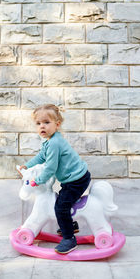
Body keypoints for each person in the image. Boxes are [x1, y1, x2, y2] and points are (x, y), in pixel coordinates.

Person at [18, 104, 91, 254]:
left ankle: (69, 239)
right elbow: (41, 157)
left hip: (77, 179)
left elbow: (50, 168)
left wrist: (37, 180)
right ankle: (71, 224)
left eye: (46, 122)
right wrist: (27, 166)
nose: (42, 127)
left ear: (57, 125)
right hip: (70, 179)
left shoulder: (54, 143)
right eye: (38, 123)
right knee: (63, 201)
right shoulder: (49, 141)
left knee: (61, 206)